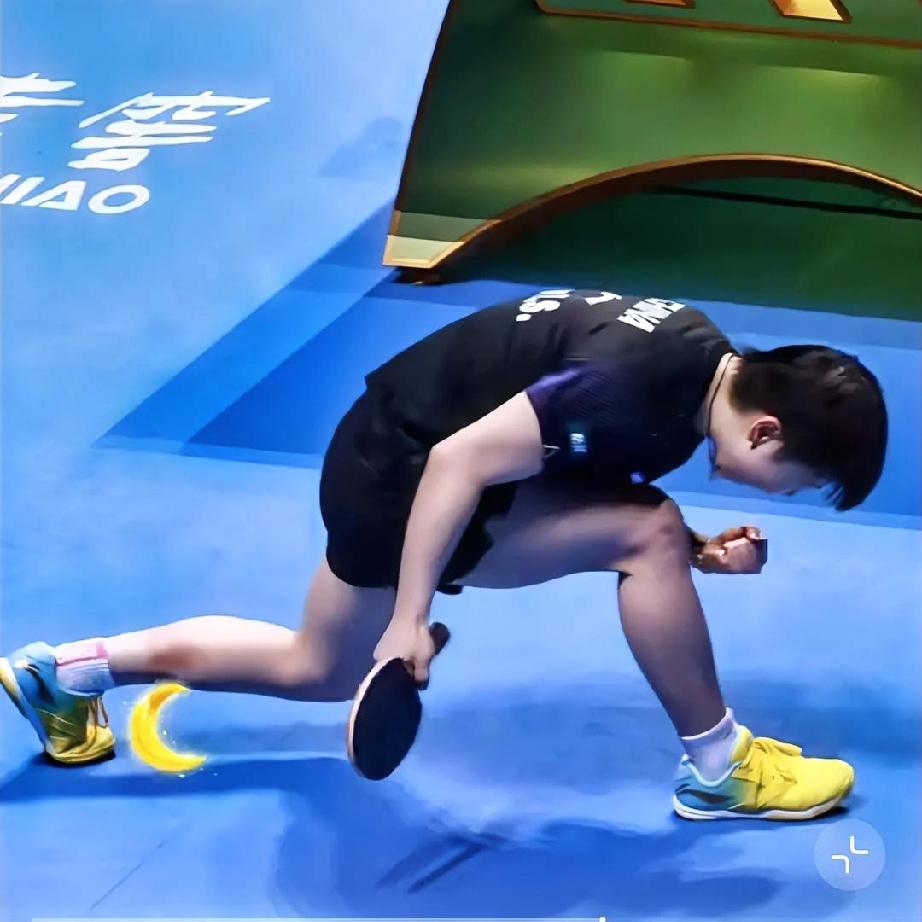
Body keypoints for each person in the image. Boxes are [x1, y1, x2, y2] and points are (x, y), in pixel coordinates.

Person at [1, 289, 887, 820]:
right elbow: (461, 463)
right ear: (765, 431)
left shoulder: (696, 356)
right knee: (646, 529)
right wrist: (409, 620)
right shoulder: (629, 386)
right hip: (404, 478)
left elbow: (576, 466)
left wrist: (696, 554)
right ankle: (721, 768)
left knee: (315, 667)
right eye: (800, 482)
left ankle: (66, 673)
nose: (786, 497)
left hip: (386, 446)